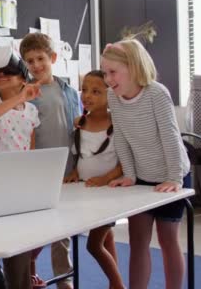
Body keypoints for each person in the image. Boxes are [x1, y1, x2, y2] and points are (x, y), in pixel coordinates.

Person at [102, 30, 190, 289]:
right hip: (142, 177)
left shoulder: (156, 93)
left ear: (132, 67)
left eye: (113, 72)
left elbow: (171, 138)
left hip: (173, 174)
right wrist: (129, 174)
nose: (107, 80)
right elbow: (121, 139)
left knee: (167, 239)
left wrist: (173, 178)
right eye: (104, 73)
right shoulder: (113, 97)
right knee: (137, 240)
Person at [20, 32, 82, 289]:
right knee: (35, 229)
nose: (35, 65)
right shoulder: (25, 92)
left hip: (67, 168)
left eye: (40, 59)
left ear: (53, 58)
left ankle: (64, 280)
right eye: (29, 61)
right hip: (39, 170)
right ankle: (28, 275)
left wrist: (78, 166)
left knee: (63, 231)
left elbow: (77, 129)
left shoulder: (68, 91)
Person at [0, 67, 40, 288]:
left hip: (22, 183)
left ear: (23, 78)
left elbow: (30, 143)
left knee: (21, 242)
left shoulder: (31, 110)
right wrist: (20, 97)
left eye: (9, 73)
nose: (0, 77)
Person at [63, 70, 125, 289]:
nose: (87, 95)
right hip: (87, 194)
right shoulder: (79, 124)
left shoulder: (117, 124)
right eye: (85, 90)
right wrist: (74, 174)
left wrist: (105, 178)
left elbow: (124, 163)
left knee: (94, 245)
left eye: (96, 91)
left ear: (111, 96)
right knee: (107, 239)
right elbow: (81, 155)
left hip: (109, 195)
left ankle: (118, 285)